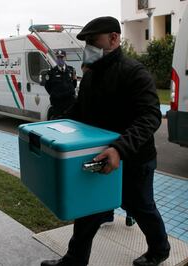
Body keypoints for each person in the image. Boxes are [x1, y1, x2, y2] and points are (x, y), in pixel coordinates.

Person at [41, 16, 170, 266]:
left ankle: (159, 249)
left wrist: (120, 149)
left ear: (114, 38)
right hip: (101, 157)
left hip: (133, 159)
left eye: (92, 41)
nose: (88, 47)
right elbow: (80, 111)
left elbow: (151, 115)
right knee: (88, 210)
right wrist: (56, 126)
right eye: (86, 42)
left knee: (141, 206)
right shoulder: (91, 76)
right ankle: (74, 260)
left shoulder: (134, 72)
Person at [44, 49, 77, 120]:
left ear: (65, 58)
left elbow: (74, 84)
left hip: (69, 104)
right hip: (57, 104)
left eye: (61, 57)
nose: (60, 59)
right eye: (58, 57)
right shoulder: (51, 72)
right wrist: (55, 95)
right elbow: (47, 86)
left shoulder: (71, 70)